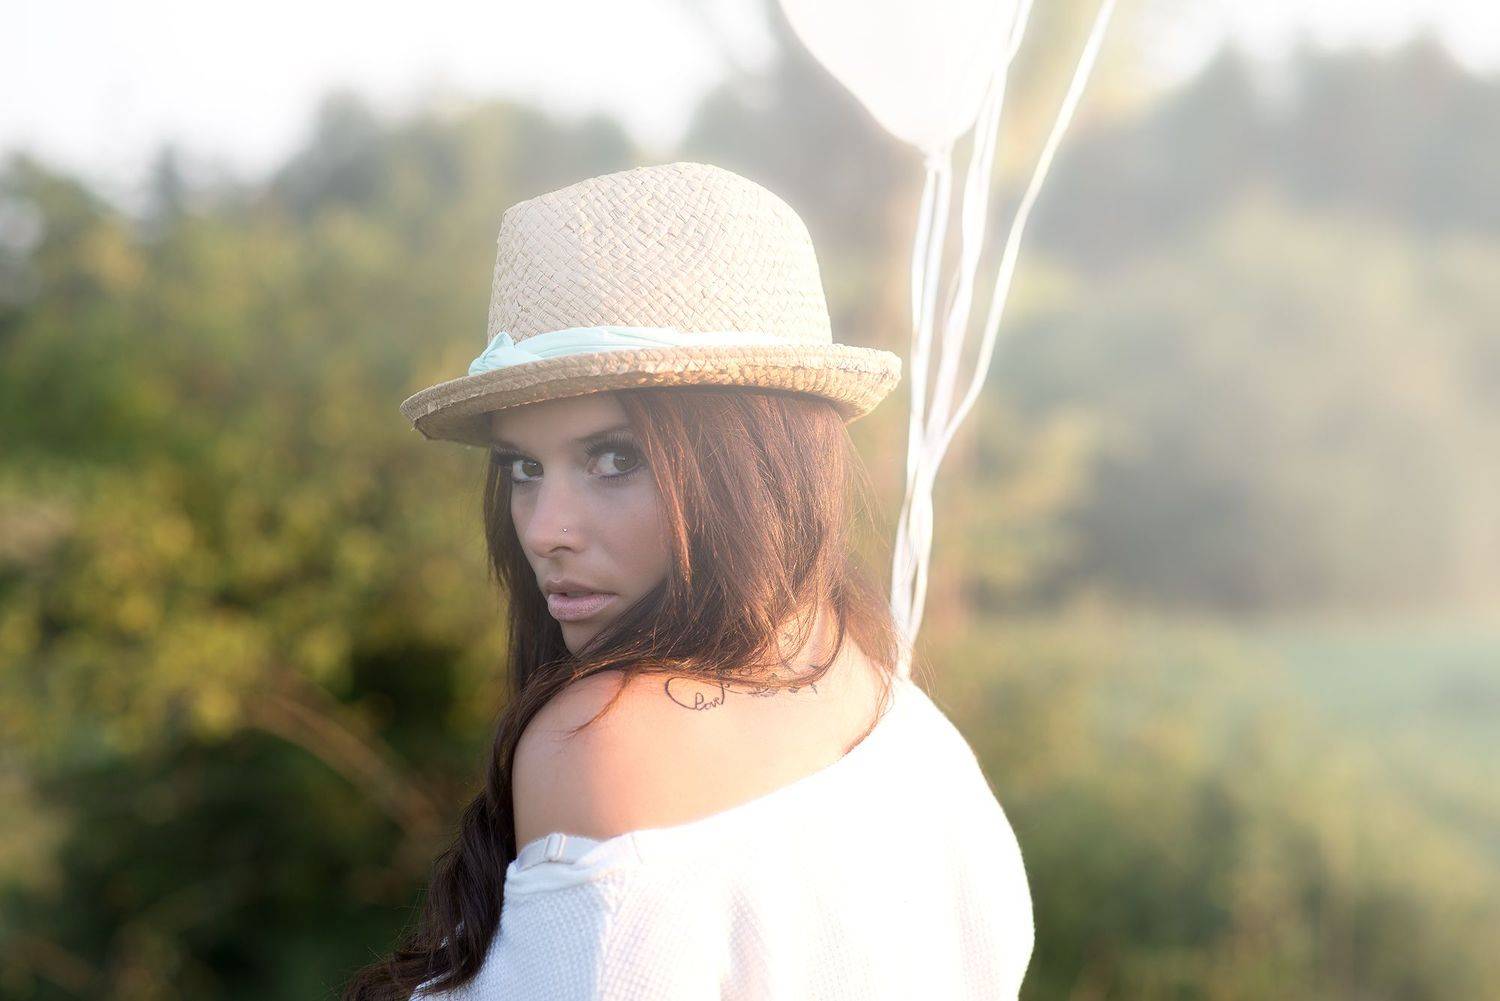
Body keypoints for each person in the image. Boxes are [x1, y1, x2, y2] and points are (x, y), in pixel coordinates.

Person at [341, 161, 1033, 1000]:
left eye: (614, 458)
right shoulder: (874, 682)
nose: (546, 529)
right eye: (524, 466)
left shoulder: (607, 741)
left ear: (751, 458)